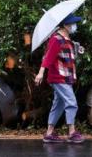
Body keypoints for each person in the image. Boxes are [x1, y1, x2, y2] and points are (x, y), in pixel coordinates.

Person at [35, 13, 84, 144]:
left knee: (59, 104)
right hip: (58, 77)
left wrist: (78, 50)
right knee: (71, 102)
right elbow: (48, 57)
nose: (75, 26)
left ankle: (49, 133)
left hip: (66, 77)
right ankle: (72, 132)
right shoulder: (56, 39)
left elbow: (68, 58)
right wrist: (41, 72)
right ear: (66, 25)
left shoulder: (67, 40)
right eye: (72, 24)